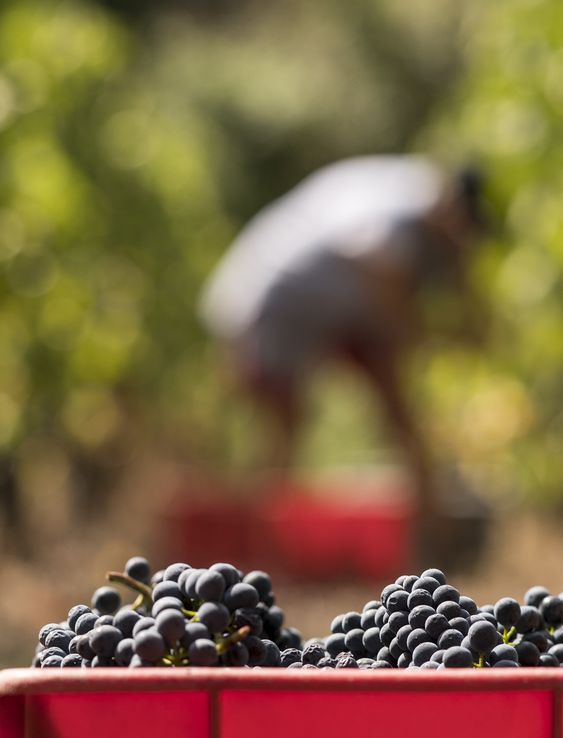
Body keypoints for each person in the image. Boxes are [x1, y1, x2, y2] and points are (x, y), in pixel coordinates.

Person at [200, 154, 488, 509]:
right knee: (282, 422)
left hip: (337, 312)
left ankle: (431, 513)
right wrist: (415, 332)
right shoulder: (405, 204)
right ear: (454, 205)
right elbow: (371, 256)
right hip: (277, 302)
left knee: (395, 407)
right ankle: (250, 528)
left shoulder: (425, 208)